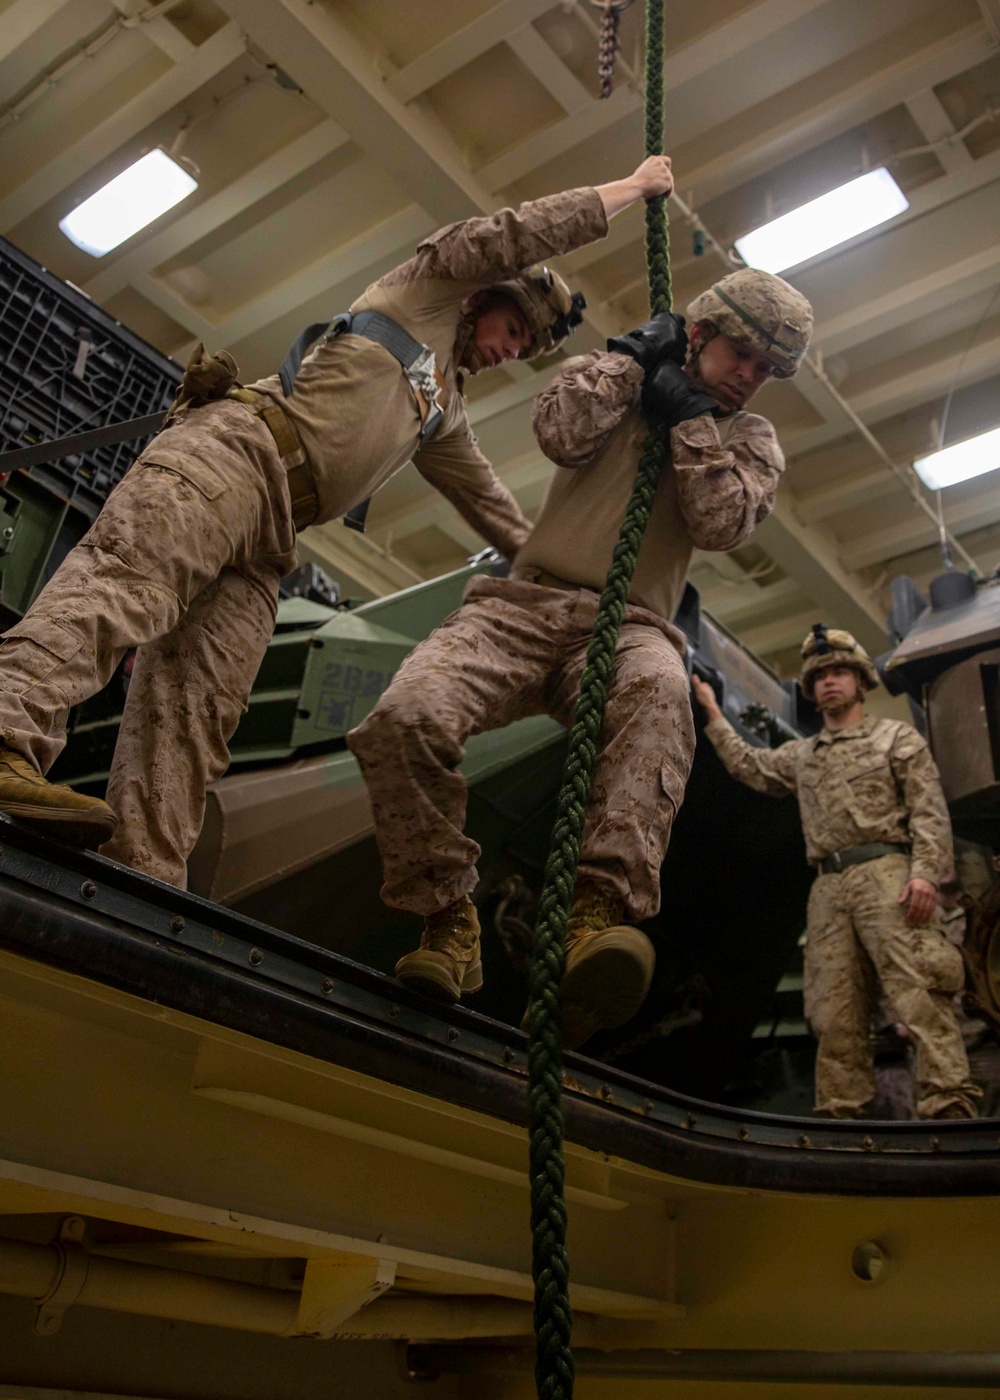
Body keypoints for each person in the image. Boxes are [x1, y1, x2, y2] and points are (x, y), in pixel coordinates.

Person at [0, 156, 676, 885]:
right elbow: (513, 233)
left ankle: (145, 867)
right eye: (513, 330)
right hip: (234, 457)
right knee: (120, 592)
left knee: (200, 702)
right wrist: (632, 190)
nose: (509, 351)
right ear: (484, 296)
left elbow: (497, 512)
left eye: (521, 349)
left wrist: (600, 591)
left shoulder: (443, 409)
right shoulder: (425, 290)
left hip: (269, 539)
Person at [349, 266, 813, 1048]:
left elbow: (720, 520)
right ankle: (446, 919)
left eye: (766, 370)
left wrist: (692, 423)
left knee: (664, 700)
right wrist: (632, 363)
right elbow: (560, 432)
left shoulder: (749, 440)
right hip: (522, 608)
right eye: (742, 356)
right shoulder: (618, 378)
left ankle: (596, 920)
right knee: (405, 716)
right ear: (699, 333)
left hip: (632, 627)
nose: (751, 379)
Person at [692, 625, 980, 1120]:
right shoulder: (804, 756)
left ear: (862, 682)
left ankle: (948, 1104)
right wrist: (713, 711)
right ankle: (842, 1113)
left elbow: (928, 809)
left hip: (889, 873)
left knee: (922, 995)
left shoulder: (895, 738)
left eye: (840, 672)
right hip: (827, 887)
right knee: (832, 1011)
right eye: (819, 676)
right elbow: (750, 766)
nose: (829, 682)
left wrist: (927, 873)